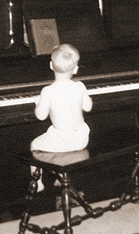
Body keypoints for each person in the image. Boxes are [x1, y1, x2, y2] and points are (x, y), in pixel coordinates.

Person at [30, 44, 93, 191]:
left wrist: (38, 103)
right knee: (61, 144)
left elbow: (40, 116)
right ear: (76, 69)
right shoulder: (80, 86)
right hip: (81, 139)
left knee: (35, 145)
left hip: (61, 141)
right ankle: (61, 175)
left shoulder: (48, 91)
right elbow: (88, 107)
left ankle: (38, 183)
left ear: (51, 65)